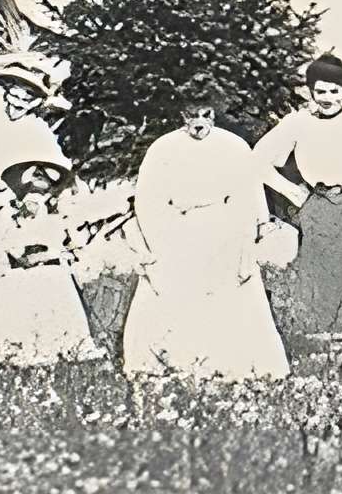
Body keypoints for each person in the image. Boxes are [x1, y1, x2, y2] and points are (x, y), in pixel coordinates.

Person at [121, 100, 291, 383]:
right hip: (177, 231)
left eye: (206, 115)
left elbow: (249, 193)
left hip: (223, 231)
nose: (199, 122)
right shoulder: (163, 148)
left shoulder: (234, 146)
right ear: (182, 116)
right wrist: (158, 241)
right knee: (170, 291)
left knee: (229, 292)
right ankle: (171, 363)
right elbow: (148, 199)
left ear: (215, 115)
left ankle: (230, 365)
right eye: (192, 115)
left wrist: (249, 235)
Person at [258, 57, 342, 373]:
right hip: (317, 206)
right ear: (310, 92)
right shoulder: (298, 123)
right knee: (318, 283)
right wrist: (296, 193)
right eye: (320, 91)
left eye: (334, 91)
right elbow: (257, 160)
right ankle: (317, 362)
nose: (327, 98)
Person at [0, 143, 97, 366]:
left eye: (44, 176)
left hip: (52, 276)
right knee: (14, 336)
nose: (38, 179)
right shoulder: (11, 217)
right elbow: (4, 244)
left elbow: (74, 242)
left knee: (59, 335)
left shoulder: (60, 217)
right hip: (22, 278)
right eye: (34, 175)